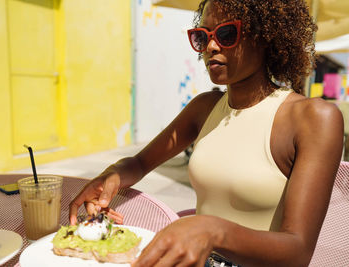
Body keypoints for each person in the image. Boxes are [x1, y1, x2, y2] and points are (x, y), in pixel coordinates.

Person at [69, 0, 344, 266]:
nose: (211, 46)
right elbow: (140, 163)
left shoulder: (313, 118)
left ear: (264, 37)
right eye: (202, 37)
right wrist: (112, 176)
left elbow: (297, 251)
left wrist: (212, 231)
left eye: (226, 34)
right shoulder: (204, 108)